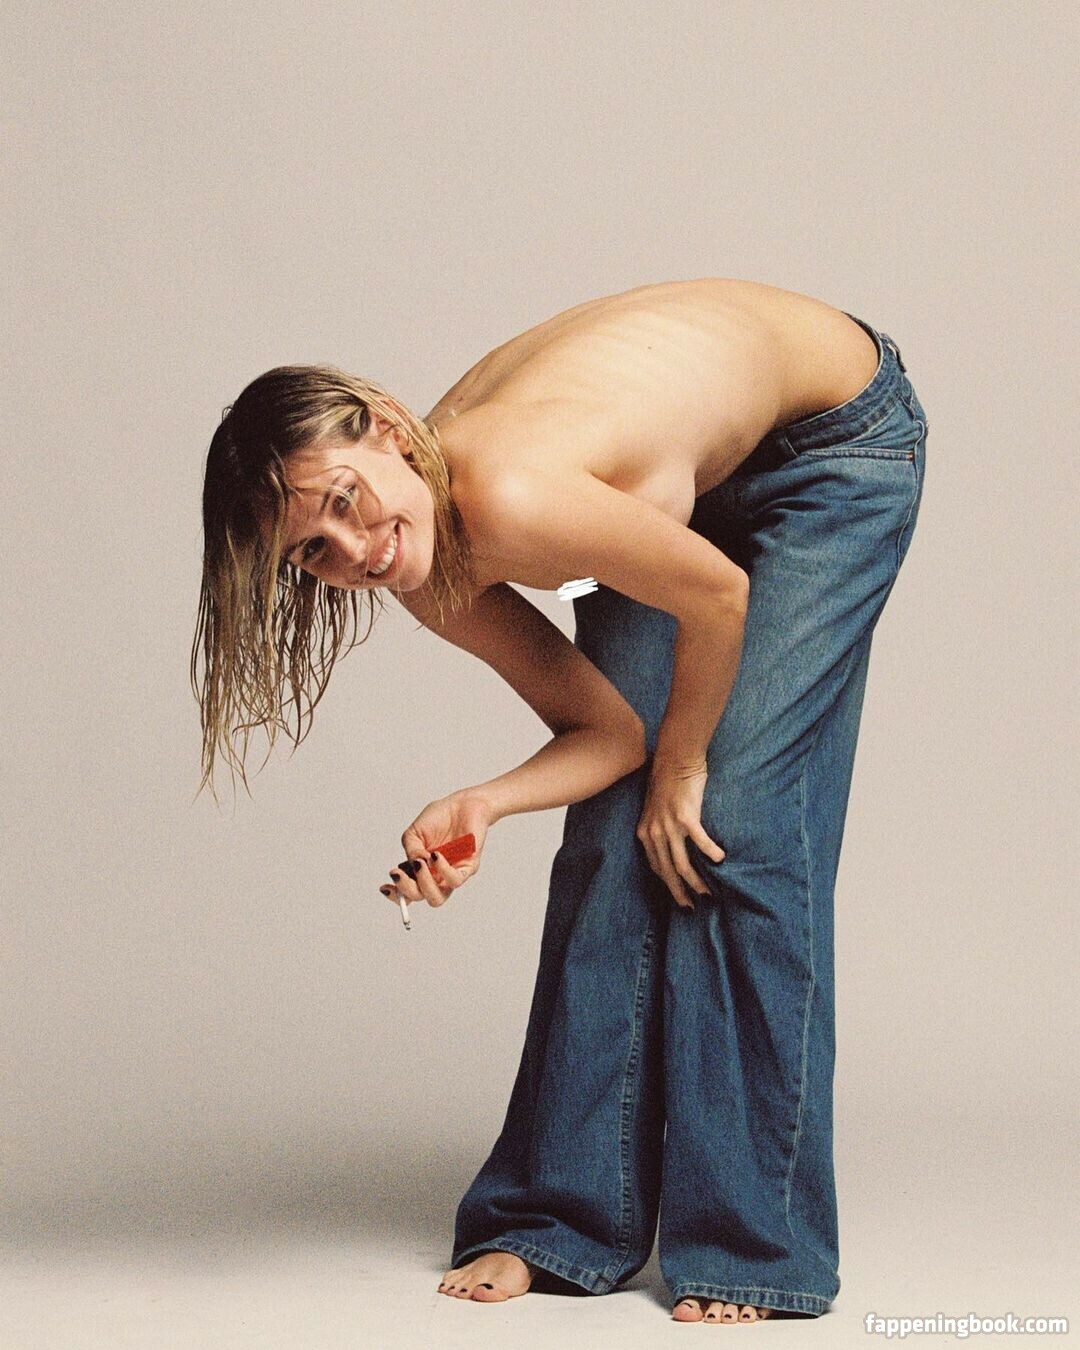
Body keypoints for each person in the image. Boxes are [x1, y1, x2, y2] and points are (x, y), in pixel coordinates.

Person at [191, 277, 928, 1324]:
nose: (356, 551)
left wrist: (684, 765)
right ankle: (559, 1219)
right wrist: (487, 803)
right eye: (314, 550)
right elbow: (606, 737)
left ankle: (754, 1246)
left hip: (830, 444)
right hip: (686, 479)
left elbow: (717, 597)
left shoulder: (511, 492)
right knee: (611, 843)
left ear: (388, 429)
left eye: (345, 502)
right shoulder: (422, 563)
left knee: (729, 826)